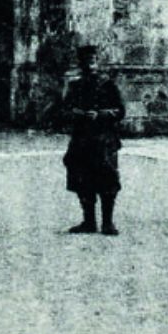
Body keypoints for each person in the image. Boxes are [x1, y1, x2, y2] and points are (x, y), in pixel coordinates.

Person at [62, 42, 125, 235]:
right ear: (81, 64)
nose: (91, 64)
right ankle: (89, 221)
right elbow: (64, 111)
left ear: (98, 63)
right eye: (86, 60)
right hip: (82, 139)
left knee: (107, 179)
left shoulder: (109, 85)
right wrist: (80, 114)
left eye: (93, 60)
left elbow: (120, 111)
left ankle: (108, 222)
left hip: (104, 139)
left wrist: (102, 114)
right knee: (82, 178)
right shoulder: (75, 86)